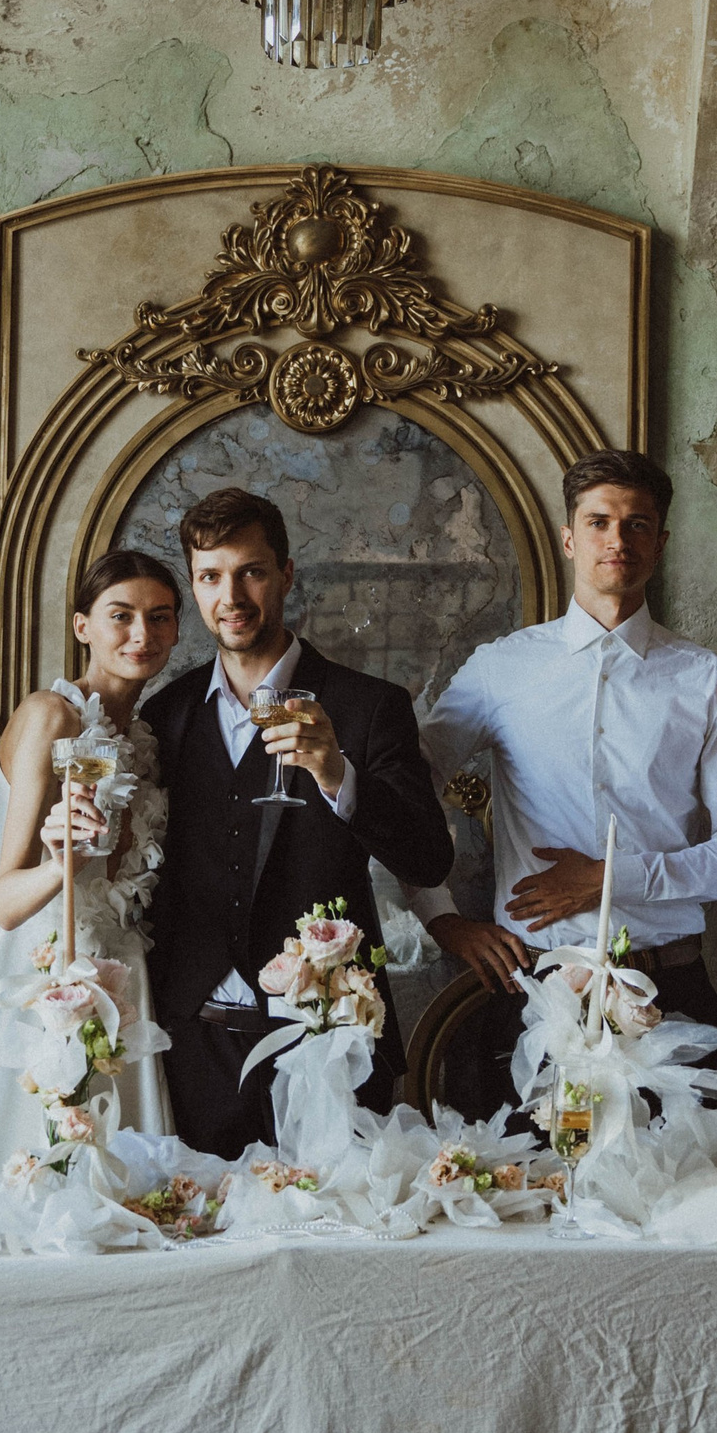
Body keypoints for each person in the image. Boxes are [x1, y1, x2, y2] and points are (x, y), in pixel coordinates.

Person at [408, 449, 717, 1115]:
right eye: (599, 521)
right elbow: (404, 793)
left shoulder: (705, 678)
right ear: (570, 538)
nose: (618, 539)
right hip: (534, 992)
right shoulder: (502, 668)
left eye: (638, 525)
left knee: (682, 1182)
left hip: (669, 992)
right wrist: (445, 920)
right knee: (528, 1179)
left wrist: (611, 878)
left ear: (660, 544)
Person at [142, 487, 454, 1159]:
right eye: (210, 576)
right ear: (194, 586)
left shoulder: (370, 707)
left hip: (330, 1042)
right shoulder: (165, 716)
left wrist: (339, 775)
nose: (231, 596)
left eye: (251, 572)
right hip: (194, 1045)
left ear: (286, 574)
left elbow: (428, 859)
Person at [0, 551, 181, 1161]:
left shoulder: (145, 739)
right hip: (39, 974)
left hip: (121, 975)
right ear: (83, 627)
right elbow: (3, 903)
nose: (142, 633)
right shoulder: (50, 715)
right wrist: (59, 866)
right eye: (121, 615)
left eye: (159, 617)